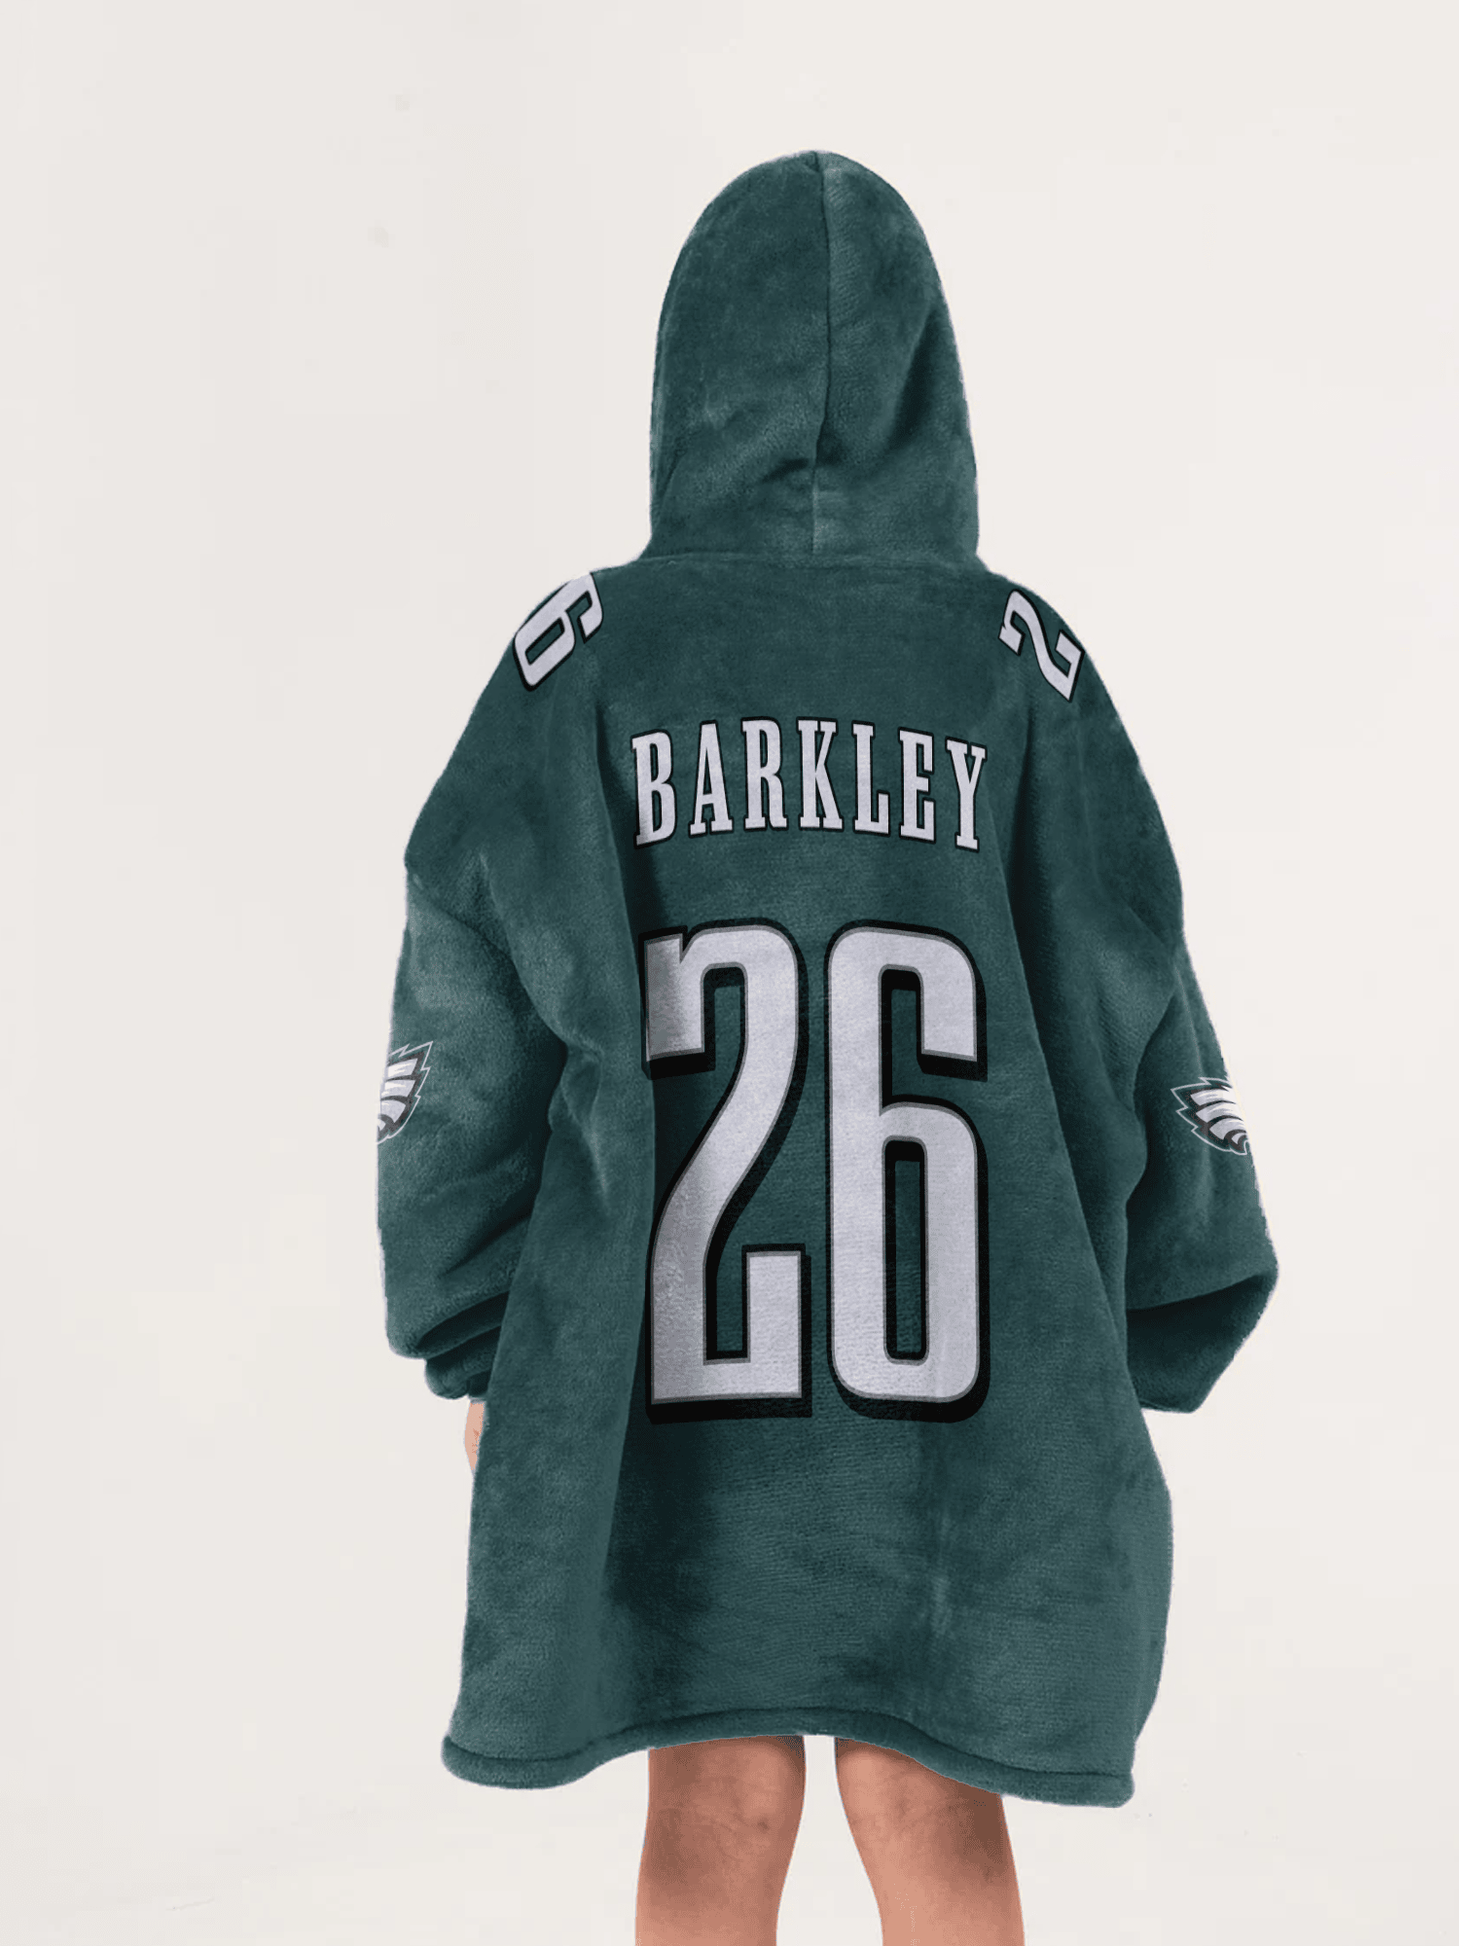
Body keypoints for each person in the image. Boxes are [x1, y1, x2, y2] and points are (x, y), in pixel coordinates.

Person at [377, 151, 1278, 1946]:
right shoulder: (1015, 662)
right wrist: (1169, 1286)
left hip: (666, 1367)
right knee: (927, 1789)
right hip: (967, 1369)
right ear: (933, 384)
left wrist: (476, 1325)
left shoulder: (585, 660)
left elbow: (463, 1002)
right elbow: (1131, 975)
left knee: (711, 1793)